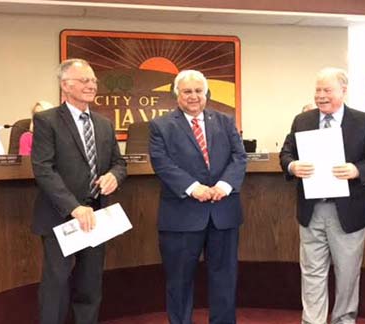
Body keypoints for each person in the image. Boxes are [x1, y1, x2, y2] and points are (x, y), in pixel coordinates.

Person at [279, 67, 365, 324]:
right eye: (318, 90)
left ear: (343, 91)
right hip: (311, 209)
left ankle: (344, 320)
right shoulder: (302, 120)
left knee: (347, 273)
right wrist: (293, 166)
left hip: (348, 211)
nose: (321, 95)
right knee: (312, 272)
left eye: (327, 90)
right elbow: (285, 154)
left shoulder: (363, 121)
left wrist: (356, 169)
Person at [31, 58, 127, 324]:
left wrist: (113, 177)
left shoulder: (104, 124)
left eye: (94, 80)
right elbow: (43, 169)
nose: (91, 85)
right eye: (84, 80)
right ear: (65, 85)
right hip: (61, 216)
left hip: (96, 215)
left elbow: (119, 163)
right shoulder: (46, 121)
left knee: (90, 284)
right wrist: (73, 207)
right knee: (57, 286)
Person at [149, 70, 247, 324]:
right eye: (187, 91)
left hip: (223, 212)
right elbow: (162, 163)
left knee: (225, 279)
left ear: (206, 94)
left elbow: (239, 157)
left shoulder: (226, 121)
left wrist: (224, 185)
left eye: (198, 91)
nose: (193, 96)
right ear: (176, 95)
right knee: (179, 281)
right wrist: (194, 187)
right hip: (182, 215)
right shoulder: (161, 126)